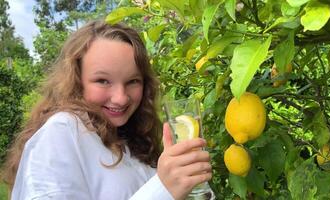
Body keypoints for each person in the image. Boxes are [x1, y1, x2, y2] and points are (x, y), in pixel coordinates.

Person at [2, 19, 212, 200]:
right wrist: (163, 189)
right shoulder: (62, 131)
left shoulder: (130, 138)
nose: (120, 98)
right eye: (102, 80)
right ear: (76, 81)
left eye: (133, 81)